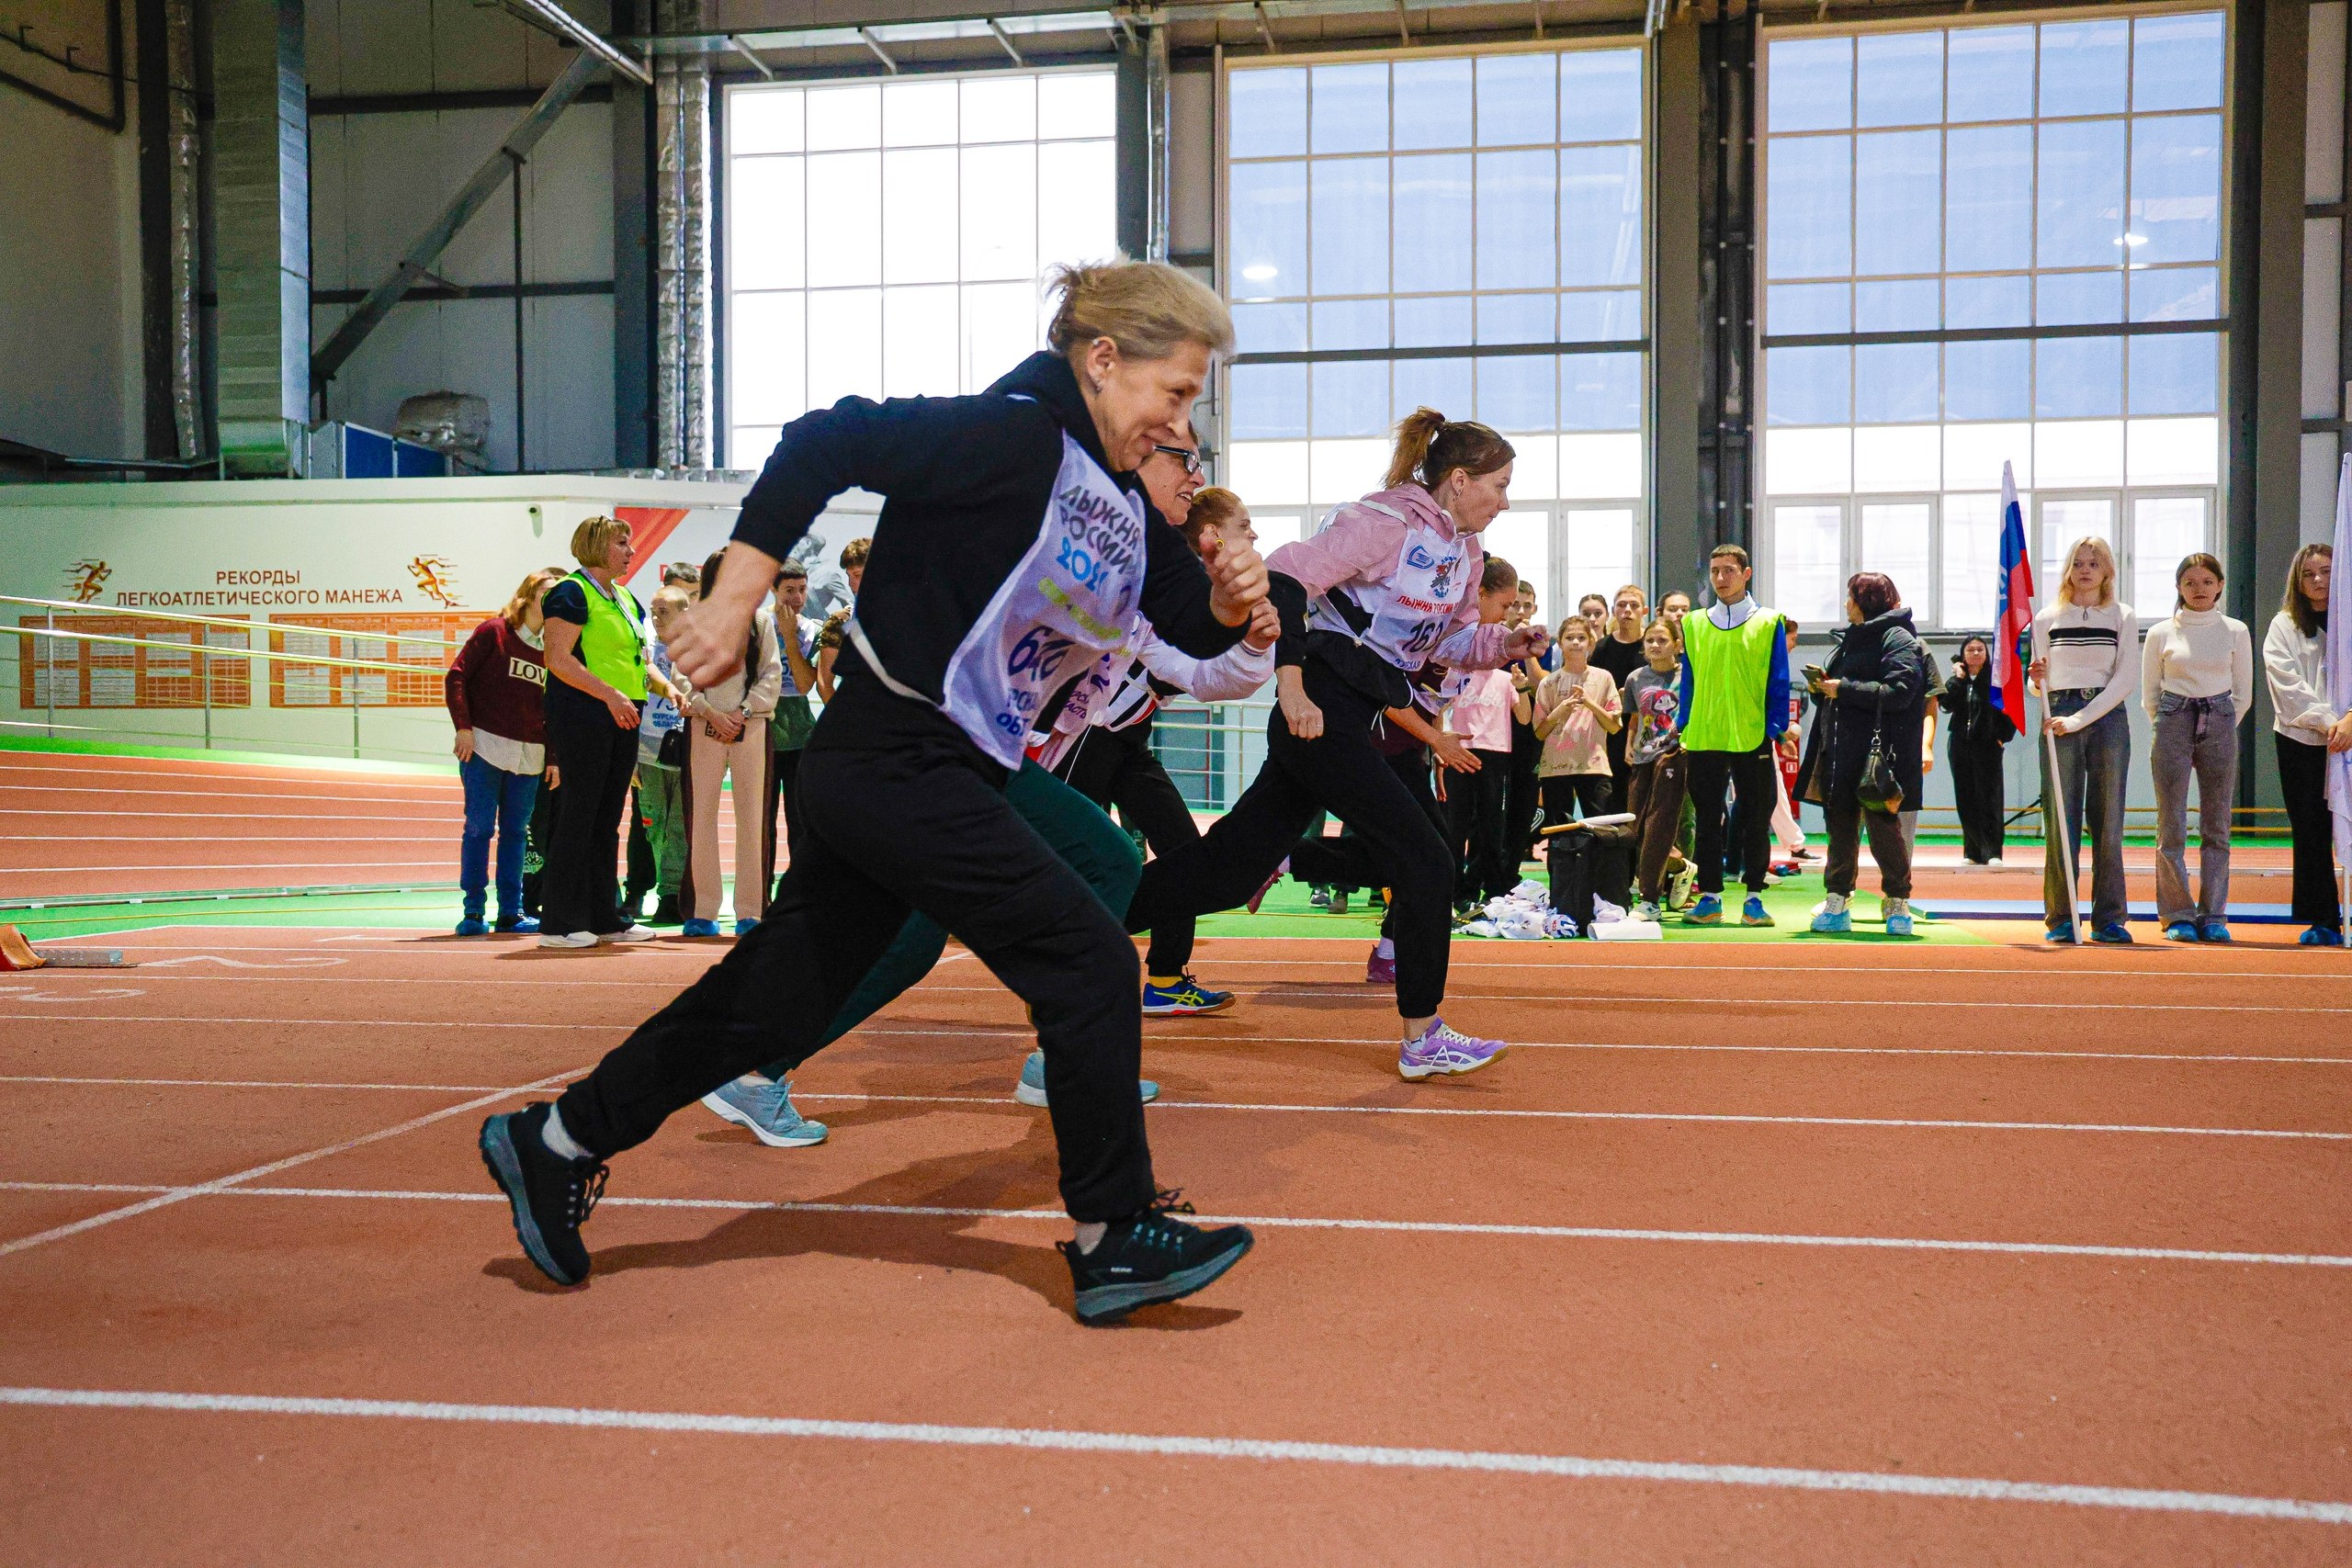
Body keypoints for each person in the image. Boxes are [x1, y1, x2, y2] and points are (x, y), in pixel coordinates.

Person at [480, 259, 1270, 1325]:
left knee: (775, 998)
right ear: (1100, 360)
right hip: (897, 752)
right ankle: (1112, 1232)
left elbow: (1183, 620)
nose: (1180, 423)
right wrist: (734, 594)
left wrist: (1229, 602)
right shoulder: (1016, 435)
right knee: (1082, 950)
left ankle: (557, 1139)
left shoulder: (1122, 501)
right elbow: (827, 436)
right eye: (1173, 393)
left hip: (931, 771)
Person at [1125, 407, 1549, 1080]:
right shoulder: (1382, 523)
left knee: (1231, 870)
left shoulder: (1466, 556)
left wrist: (1505, 643)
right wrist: (1290, 686)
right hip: (1319, 697)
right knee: (1428, 859)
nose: (1504, 501)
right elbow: (1287, 579)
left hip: (1361, 706)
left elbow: (1445, 644)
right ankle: (1422, 1035)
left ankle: (1082, 921)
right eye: (1497, 485)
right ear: (1459, 479)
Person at [1043, 473, 1276, 1020]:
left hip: (1127, 737)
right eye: (1246, 527)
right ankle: (1065, 975)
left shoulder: (1195, 592)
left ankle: (1166, 977)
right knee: (1082, 861)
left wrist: (1255, 646)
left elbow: (1201, 675)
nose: (1256, 536)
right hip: (1086, 735)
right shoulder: (1145, 577)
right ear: (1213, 535)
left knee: (1183, 854)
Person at [537, 517, 662, 950]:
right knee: (579, 815)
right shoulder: (571, 592)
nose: (631, 551)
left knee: (607, 819)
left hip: (623, 714)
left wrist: (668, 688)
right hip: (585, 713)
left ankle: (604, 916)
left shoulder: (625, 597)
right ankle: (557, 923)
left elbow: (639, 658)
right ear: (595, 547)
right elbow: (558, 658)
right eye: (622, 543)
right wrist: (609, 695)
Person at [1804, 574, 1926, 937]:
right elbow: (1843, 690)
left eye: (1850, 597)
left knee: (1884, 830)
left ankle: (1897, 902)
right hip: (1839, 750)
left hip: (1878, 754)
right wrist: (1824, 689)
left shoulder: (1898, 638)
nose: (1845, 605)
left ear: (1866, 600)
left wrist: (1845, 689)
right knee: (1839, 829)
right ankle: (1837, 899)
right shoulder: (1851, 639)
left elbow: (1901, 690)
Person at [2030, 536, 2139, 943]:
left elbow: (2125, 679)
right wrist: (2033, 679)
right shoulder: (2046, 618)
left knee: (2108, 820)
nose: (2086, 570)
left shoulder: (2122, 615)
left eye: (2094, 563)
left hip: (2106, 717)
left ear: (2108, 569)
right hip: (2057, 715)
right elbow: (2036, 682)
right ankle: (2062, 916)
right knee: (2060, 821)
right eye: (2079, 563)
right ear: (2068, 569)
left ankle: (2109, 918)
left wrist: (2079, 719)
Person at [445, 567, 564, 935]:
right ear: (528, 595)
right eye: (548, 591)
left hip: (530, 755)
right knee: (479, 829)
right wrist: (463, 727)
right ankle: (473, 912)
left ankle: (511, 912)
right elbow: (457, 676)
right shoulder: (494, 632)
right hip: (484, 746)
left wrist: (554, 758)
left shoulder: (557, 650)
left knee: (515, 833)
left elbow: (556, 708)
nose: (554, 600)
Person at [1679, 544, 1792, 927]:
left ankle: (1755, 898)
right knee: (1709, 820)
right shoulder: (1693, 623)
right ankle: (1709, 897)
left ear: (1746, 574)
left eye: (1728, 570)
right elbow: (1690, 681)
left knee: (1755, 819)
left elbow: (1779, 678)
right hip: (1704, 735)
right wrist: (1683, 724)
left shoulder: (1769, 621)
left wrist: (1775, 727)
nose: (1721, 578)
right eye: (1714, 571)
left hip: (1752, 735)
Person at [2143, 552, 2253, 943]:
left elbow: (2243, 694)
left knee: (2217, 825)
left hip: (2221, 718)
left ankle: (2214, 914)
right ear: (2178, 588)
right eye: (2190, 583)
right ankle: (2177, 914)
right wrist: (2172, 723)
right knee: (2171, 824)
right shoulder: (2159, 633)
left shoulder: (2236, 630)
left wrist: (2220, 726)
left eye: (2207, 582)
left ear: (2220, 585)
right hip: (2172, 717)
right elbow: (2149, 696)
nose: (2199, 589)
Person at [675, 547, 784, 937]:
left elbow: (771, 673)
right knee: (700, 819)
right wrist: (709, 711)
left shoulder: (760, 620)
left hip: (751, 729)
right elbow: (682, 675)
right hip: (704, 728)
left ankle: (750, 912)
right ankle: (703, 911)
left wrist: (743, 713)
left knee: (752, 820)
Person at [2265, 543, 2350, 945]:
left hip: (2350, 737)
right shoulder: (2284, 625)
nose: (2318, 580)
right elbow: (2287, 686)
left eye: (2327, 571)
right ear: (2297, 581)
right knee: (2311, 830)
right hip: (2302, 739)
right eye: (2308, 574)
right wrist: (2333, 723)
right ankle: (2323, 920)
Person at [1441, 557, 1526, 909]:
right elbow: (1436, 704)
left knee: (1491, 827)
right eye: (1505, 605)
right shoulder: (1454, 653)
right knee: (1453, 828)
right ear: (1479, 594)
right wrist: (1437, 746)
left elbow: (1524, 718)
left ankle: (1487, 888)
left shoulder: (1505, 678)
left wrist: (1523, 682)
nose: (1507, 614)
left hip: (1492, 754)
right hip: (1457, 751)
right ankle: (1451, 890)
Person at [631, 586, 692, 926]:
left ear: (685, 613)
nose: (656, 616)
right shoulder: (644, 647)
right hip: (647, 748)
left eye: (664, 611)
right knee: (654, 823)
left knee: (681, 824)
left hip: (687, 747)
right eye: (654, 610)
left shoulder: (700, 647)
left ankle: (673, 894)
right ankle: (664, 890)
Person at [1622, 616, 1689, 922]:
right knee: (1635, 826)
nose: (1655, 645)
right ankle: (1681, 864)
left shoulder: (1687, 675)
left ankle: (1649, 899)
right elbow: (1635, 718)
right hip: (1643, 757)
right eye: (1650, 640)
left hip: (1674, 756)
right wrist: (1629, 744)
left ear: (1677, 644)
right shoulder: (1636, 678)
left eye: (1662, 640)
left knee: (1659, 826)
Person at [1533, 614, 1622, 830]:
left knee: (1601, 832)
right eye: (1569, 638)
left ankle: (1596, 867)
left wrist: (1590, 703)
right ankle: (1561, 866)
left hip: (1594, 766)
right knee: (1559, 833)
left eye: (1581, 638)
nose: (1575, 643)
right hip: (1556, 767)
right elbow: (1539, 732)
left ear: (1590, 643)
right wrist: (1561, 710)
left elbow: (1614, 726)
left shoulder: (1604, 677)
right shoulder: (1549, 683)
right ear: (1560, 643)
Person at [767, 560, 824, 877]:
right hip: (764, 733)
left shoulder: (812, 630)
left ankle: (797, 893)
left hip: (800, 734)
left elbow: (804, 684)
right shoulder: (755, 624)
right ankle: (760, 895)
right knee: (763, 822)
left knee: (800, 823)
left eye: (802, 590)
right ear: (773, 589)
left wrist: (790, 638)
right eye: (789, 590)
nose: (798, 598)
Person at [1941, 635, 2017, 864]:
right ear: (1963, 654)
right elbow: (1945, 704)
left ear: (1987, 653)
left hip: (1988, 746)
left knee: (1990, 797)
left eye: (1980, 650)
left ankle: (1992, 852)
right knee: (1965, 797)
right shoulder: (1958, 679)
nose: (1975, 654)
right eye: (1971, 650)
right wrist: (1959, 679)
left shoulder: (1996, 680)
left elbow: (2010, 711)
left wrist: (2002, 737)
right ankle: (1972, 851)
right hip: (1960, 746)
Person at [1590, 585, 1650, 811]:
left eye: (1633, 606)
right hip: (1611, 726)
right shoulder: (1603, 647)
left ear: (1644, 611)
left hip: (1646, 725)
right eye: (1622, 605)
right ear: (1614, 611)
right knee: (1615, 788)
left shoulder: (1651, 643)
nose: (1627, 610)